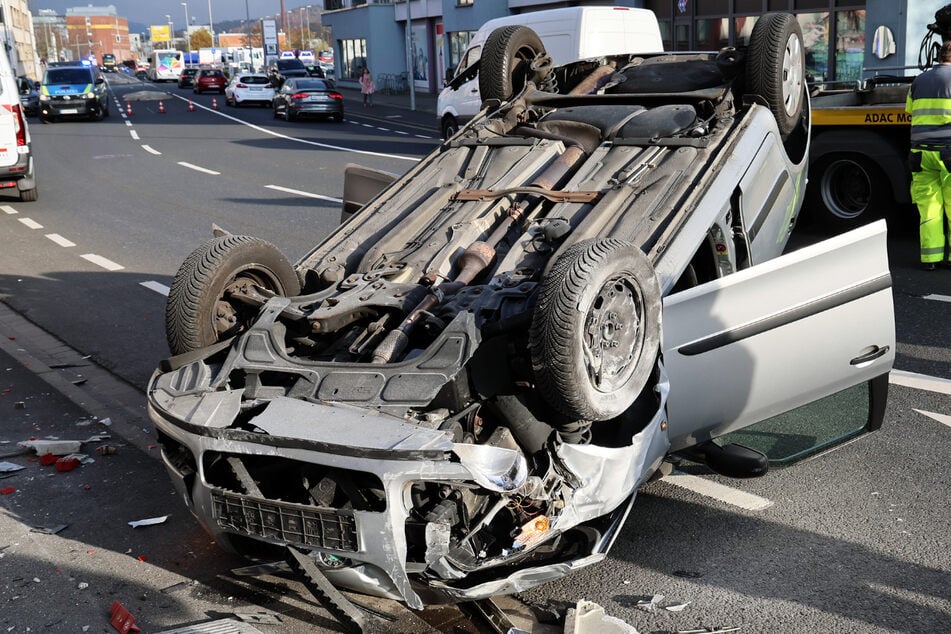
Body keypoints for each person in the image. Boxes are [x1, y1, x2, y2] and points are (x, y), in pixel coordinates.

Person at [907, 40, 951, 271]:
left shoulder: (919, 80)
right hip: (949, 152)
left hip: (921, 154)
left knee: (929, 208)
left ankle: (930, 259)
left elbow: (909, 111)